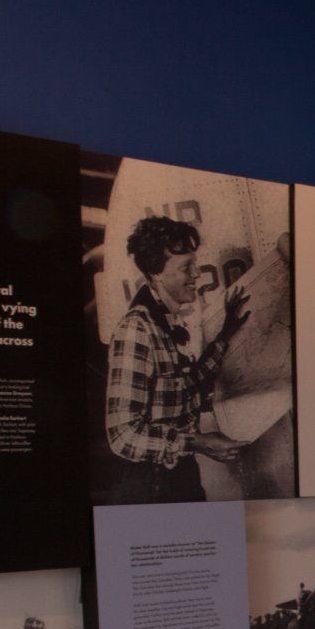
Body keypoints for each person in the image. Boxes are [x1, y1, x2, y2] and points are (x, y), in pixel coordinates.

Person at [103, 215, 251, 502]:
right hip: (153, 488)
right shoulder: (136, 329)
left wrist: (225, 335)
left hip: (179, 478)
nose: (196, 274)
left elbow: (186, 386)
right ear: (157, 273)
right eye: (186, 267)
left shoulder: (166, 324)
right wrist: (198, 442)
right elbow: (122, 436)